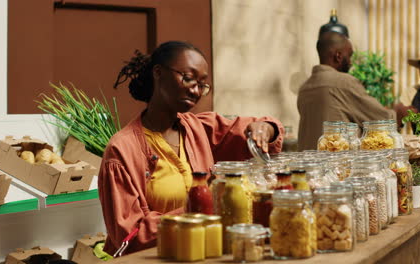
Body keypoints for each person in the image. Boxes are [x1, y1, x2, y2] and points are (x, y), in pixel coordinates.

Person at [99, 41, 284, 255]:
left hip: (205, 253)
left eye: (202, 84)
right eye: (188, 78)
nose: (196, 90)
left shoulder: (200, 128)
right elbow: (129, 235)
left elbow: (260, 128)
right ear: (158, 73)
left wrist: (264, 128)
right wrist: (201, 204)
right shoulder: (122, 150)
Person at [296, 31, 405, 151]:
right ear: (338, 56)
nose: (351, 62)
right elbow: (379, 121)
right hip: (337, 165)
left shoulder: (304, 88)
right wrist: (398, 113)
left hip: (308, 166)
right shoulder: (344, 83)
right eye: (350, 56)